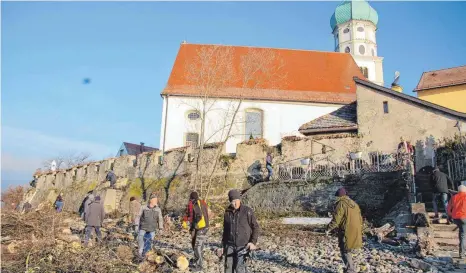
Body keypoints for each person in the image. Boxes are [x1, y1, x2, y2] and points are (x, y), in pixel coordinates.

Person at [218, 189, 260, 273]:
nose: (235, 203)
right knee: (228, 268)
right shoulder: (227, 213)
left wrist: (252, 242)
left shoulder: (247, 211)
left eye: (237, 200)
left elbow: (255, 227)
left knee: (240, 269)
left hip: (243, 246)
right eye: (233, 201)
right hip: (229, 245)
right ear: (230, 201)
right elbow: (225, 230)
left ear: (239, 200)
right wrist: (222, 246)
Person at [326, 188, 363, 273]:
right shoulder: (354, 203)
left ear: (339, 196)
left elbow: (336, 220)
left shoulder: (341, 203)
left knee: (344, 250)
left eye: (336, 197)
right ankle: (349, 268)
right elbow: (360, 219)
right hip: (356, 231)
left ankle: (350, 270)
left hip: (346, 231)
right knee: (348, 250)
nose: (335, 198)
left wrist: (328, 229)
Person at [185, 191, 209, 271]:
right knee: (199, 245)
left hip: (201, 227)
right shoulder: (202, 202)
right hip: (205, 226)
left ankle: (199, 266)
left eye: (190, 199)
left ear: (192, 198)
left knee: (197, 246)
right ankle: (197, 260)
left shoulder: (195, 204)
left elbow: (199, 216)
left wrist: (193, 225)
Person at [135, 193, 164, 259]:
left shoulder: (158, 209)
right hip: (143, 228)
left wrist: (161, 228)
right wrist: (136, 225)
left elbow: (160, 219)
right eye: (155, 200)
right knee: (141, 242)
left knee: (149, 244)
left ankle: (147, 257)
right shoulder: (143, 207)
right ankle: (139, 255)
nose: (156, 202)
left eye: (156, 200)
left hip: (152, 229)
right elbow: (138, 216)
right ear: (151, 200)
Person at [447, 185, 466, 259]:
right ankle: (462, 254)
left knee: (462, 233)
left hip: (456, 218)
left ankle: (462, 252)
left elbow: (448, 208)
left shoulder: (454, 197)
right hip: (464, 217)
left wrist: (450, 216)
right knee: (463, 235)